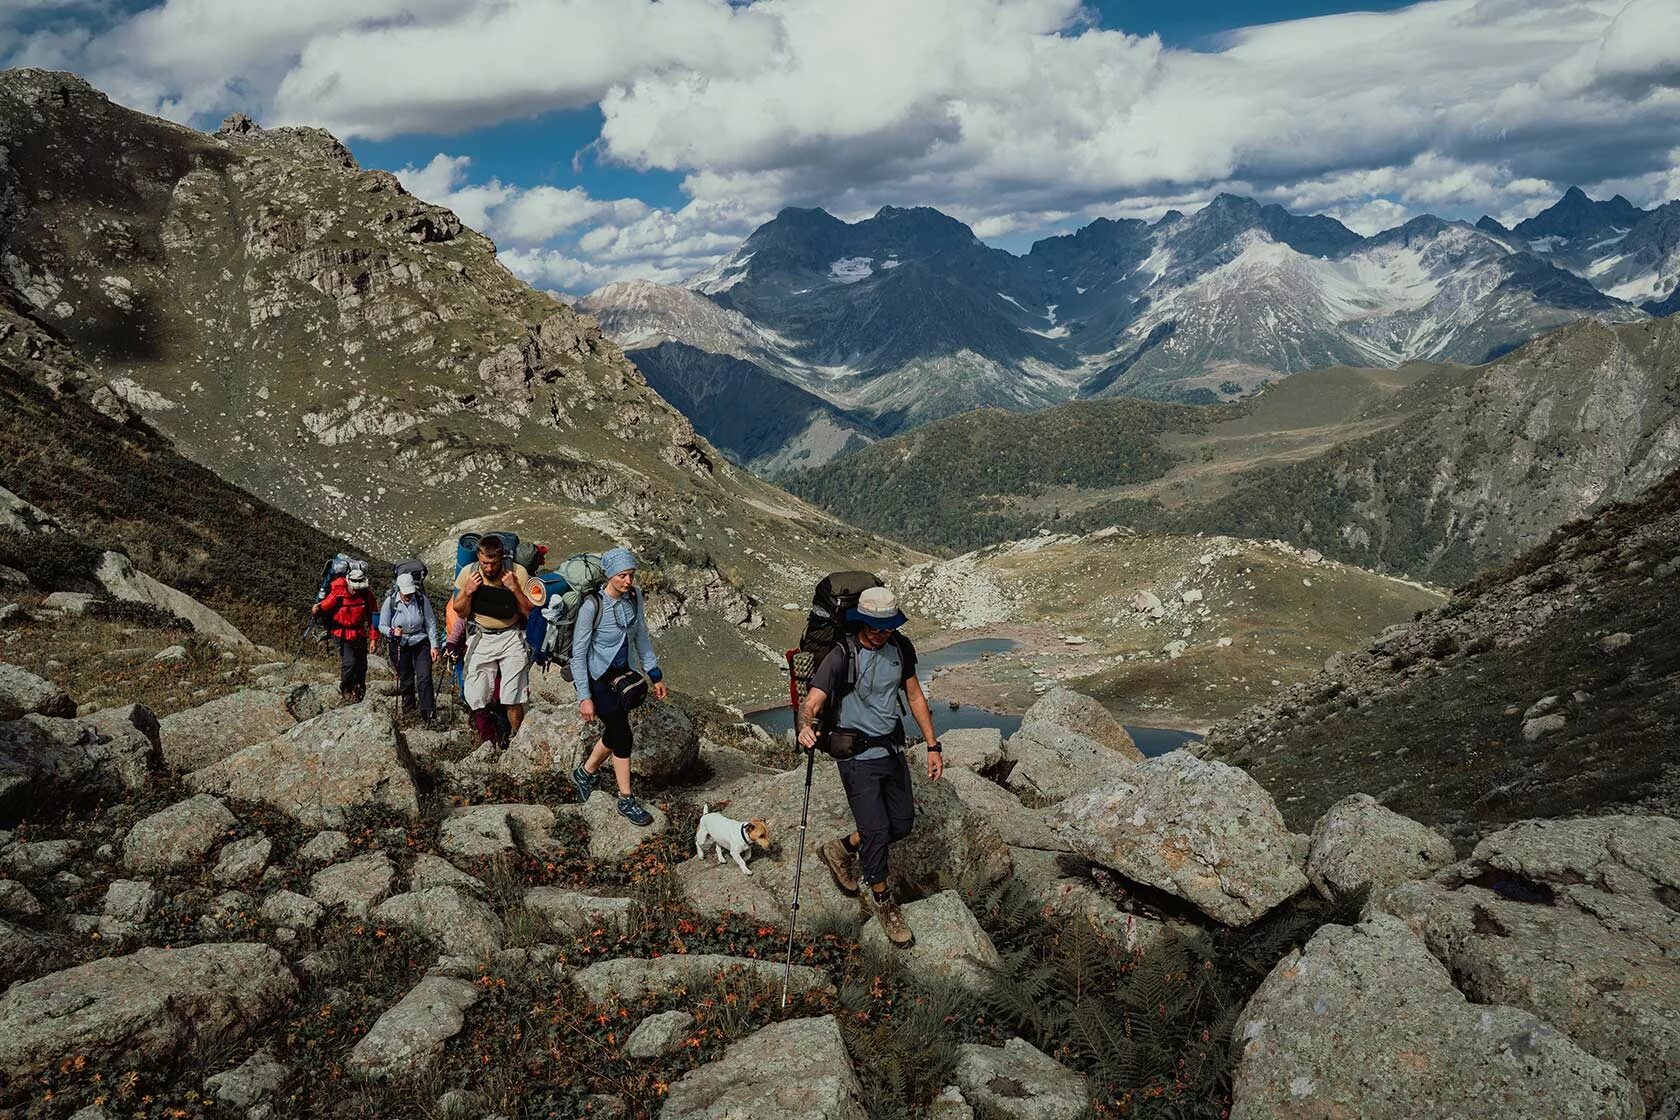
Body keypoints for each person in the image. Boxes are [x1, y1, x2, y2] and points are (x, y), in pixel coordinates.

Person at [797, 586, 943, 948]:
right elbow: (812, 702)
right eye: (876, 626)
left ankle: (842, 847)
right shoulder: (841, 654)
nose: (882, 632)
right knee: (877, 832)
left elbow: (915, 696)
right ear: (861, 621)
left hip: (891, 751)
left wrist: (932, 745)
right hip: (857, 757)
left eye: (888, 626)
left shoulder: (899, 648)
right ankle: (884, 902)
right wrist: (804, 725)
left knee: (901, 824)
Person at [568, 548, 668, 827]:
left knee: (615, 731)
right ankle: (626, 798)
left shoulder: (634, 599)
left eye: (631, 575)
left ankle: (585, 772)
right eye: (623, 575)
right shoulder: (592, 606)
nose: (628, 581)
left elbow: (643, 639)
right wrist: (584, 697)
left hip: (622, 675)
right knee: (622, 735)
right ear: (609, 575)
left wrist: (655, 674)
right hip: (597, 679)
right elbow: (578, 654)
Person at [449, 534, 535, 739]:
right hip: (481, 637)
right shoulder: (469, 574)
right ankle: (488, 739)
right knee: (476, 694)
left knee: (512, 696)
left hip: (511, 637)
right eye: (484, 563)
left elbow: (530, 612)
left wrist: (514, 588)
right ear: (478, 557)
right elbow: (459, 611)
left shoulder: (517, 572)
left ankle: (518, 742)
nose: (488, 568)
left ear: (502, 557)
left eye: (493, 563)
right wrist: (468, 591)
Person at [379, 571, 441, 722]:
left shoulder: (421, 599)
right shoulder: (390, 602)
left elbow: (430, 622)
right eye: (405, 592)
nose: (408, 595)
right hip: (399, 643)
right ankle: (409, 712)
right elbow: (382, 626)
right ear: (399, 589)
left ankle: (428, 714)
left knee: (424, 677)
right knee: (406, 679)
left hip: (421, 642)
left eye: (410, 592)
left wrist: (434, 646)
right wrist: (392, 632)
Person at [314, 565, 377, 702]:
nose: (356, 591)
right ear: (348, 583)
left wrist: (373, 639)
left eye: (359, 588)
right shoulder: (338, 594)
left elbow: (373, 617)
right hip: (341, 634)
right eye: (355, 588)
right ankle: (346, 689)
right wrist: (317, 608)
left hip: (359, 634)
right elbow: (324, 606)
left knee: (362, 665)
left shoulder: (367, 596)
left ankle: (359, 690)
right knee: (349, 663)